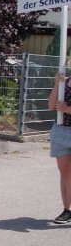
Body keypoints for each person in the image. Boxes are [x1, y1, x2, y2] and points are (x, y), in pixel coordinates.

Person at [47, 72, 71, 224]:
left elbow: (64, 108)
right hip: (61, 131)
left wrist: (68, 109)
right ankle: (66, 210)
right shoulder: (65, 82)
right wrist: (57, 84)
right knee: (65, 173)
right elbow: (50, 105)